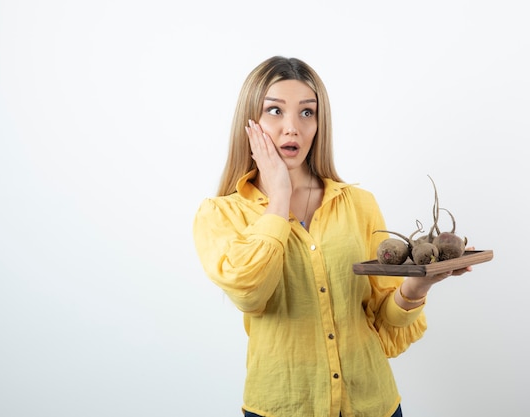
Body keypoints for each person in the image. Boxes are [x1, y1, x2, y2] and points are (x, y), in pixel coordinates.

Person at [192, 56, 472, 417]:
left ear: (320, 123)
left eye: (307, 113)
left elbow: (383, 328)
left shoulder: (359, 204)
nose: (292, 127)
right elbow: (250, 292)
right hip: (282, 406)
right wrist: (278, 196)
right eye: (275, 111)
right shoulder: (220, 214)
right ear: (250, 123)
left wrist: (416, 288)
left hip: (373, 404)